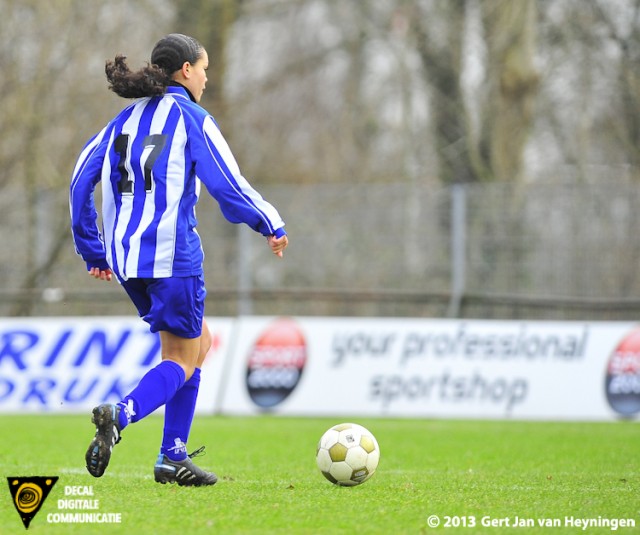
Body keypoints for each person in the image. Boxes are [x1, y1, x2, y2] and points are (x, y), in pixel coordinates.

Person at [69, 33, 288, 487]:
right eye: (204, 68)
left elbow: (78, 183)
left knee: (198, 345)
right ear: (186, 70)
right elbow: (227, 184)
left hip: (128, 260)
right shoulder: (192, 117)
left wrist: (93, 247)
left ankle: (172, 457)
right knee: (183, 355)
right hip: (173, 257)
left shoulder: (122, 122)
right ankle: (122, 414)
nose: (207, 78)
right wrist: (269, 220)